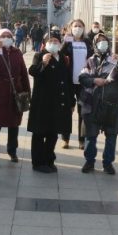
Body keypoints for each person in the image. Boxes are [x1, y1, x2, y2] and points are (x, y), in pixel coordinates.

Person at [79, 33, 118, 175]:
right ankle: (89, 161)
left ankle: (108, 163)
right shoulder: (90, 61)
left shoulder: (115, 59)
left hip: (112, 104)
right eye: (99, 41)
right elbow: (83, 77)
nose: (102, 43)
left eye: (104, 41)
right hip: (92, 103)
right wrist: (95, 81)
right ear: (94, 44)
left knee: (111, 135)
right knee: (90, 135)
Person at [27, 30, 74, 173]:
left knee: (53, 133)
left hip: (59, 102)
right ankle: (38, 162)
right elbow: (32, 71)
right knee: (39, 133)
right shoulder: (40, 55)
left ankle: (49, 159)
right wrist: (43, 63)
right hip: (42, 102)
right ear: (45, 43)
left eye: (56, 41)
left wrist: (71, 100)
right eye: (50, 41)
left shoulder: (64, 58)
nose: (53, 44)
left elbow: (67, 81)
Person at [0, 28, 30, 169]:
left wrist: (27, 92)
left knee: (14, 125)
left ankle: (12, 151)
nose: (6, 38)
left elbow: (23, 72)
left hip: (14, 92)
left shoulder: (17, 52)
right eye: (3, 36)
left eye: (8, 36)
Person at [60, 19, 94, 150]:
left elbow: (92, 58)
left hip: (83, 81)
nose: (77, 28)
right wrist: (65, 42)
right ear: (70, 28)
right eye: (75, 26)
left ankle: (82, 139)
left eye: (80, 26)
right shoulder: (68, 41)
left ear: (84, 28)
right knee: (67, 110)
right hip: (69, 81)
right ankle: (65, 138)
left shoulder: (87, 42)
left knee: (83, 111)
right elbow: (60, 55)